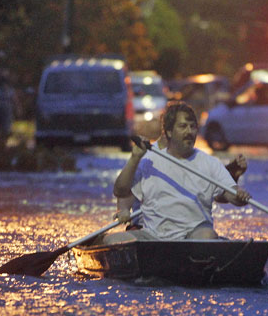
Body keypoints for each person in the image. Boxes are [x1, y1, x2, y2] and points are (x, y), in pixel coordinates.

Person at [102, 101, 250, 244]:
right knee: (111, 240)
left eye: (193, 127)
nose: (189, 132)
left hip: (194, 236)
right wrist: (135, 158)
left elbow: (231, 194)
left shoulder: (211, 163)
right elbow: (121, 192)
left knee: (207, 235)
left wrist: (239, 196)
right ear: (169, 132)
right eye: (183, 126)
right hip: (153, 237)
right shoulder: (149, 161)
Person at [0, 71, 15, 142]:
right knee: (4, 126)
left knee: (2, 126)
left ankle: (2, 140)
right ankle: (2, 140)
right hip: (4, 108)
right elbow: (14, 99)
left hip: (1, 108)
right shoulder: (9, 90)